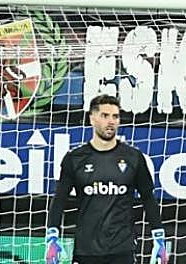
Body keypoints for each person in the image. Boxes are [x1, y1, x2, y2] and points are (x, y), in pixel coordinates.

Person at [45, 94, 166, 264]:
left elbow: (148, 198)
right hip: (86, 251)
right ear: (92, 119)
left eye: (115, 116)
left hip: (122, 250)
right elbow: (59, 199)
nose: (111, 121)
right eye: (105, 116)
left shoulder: (134, 157)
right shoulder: (75, 158)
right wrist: (52, 236)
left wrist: (159, 238)